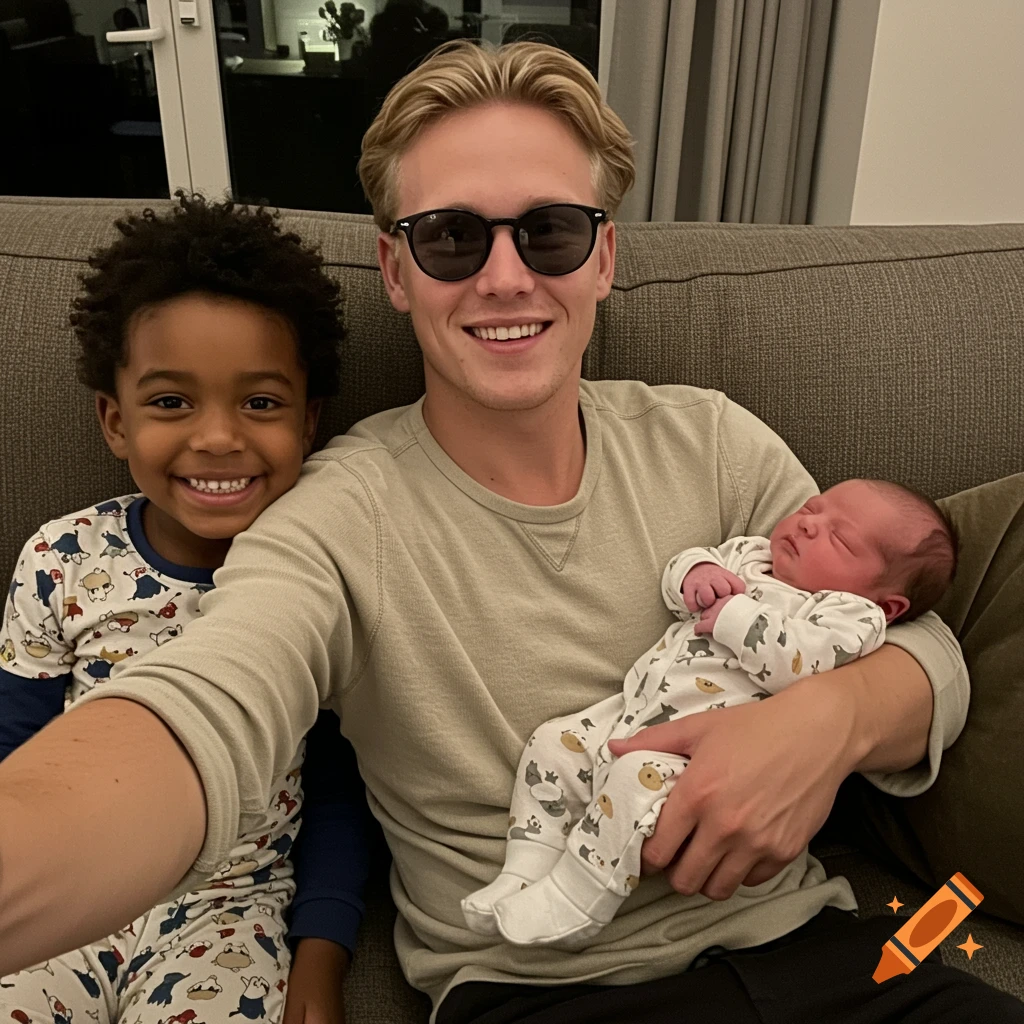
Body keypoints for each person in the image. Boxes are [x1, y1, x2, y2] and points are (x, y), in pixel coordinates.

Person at [1, 40, 1021, 1024]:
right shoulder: (336, 512)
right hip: (540, 987)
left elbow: (916, 641)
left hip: (827, 947)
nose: (502, 277)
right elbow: (201, 709)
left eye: (549, 232)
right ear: (395, 269)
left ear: (603, 257)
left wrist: (822, 725)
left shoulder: (711, 440)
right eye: (452, 236)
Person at [0, 195, 369, 1024]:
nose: (215, 438)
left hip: (228, 913)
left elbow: (343, 793)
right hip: (71, 886)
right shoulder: (61, 560)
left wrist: (321, 962)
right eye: (171, 402)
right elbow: (14, 756)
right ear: (114, 419)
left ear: (310, 421)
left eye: (261, 404)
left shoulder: (322, 577)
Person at [463, 479, 957, 948]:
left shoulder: (849, 616)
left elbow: (801, 664)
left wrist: (739, 616)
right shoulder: (752, 554)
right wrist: (696, 575)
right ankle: (524, 870)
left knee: (637, 780)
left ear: (888, 605)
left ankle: (576, 899)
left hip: (701, 757)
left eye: (842, 540)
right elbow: (687, 567)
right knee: (553, 742)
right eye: (812, 508)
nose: (809, 524)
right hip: (633, 711)